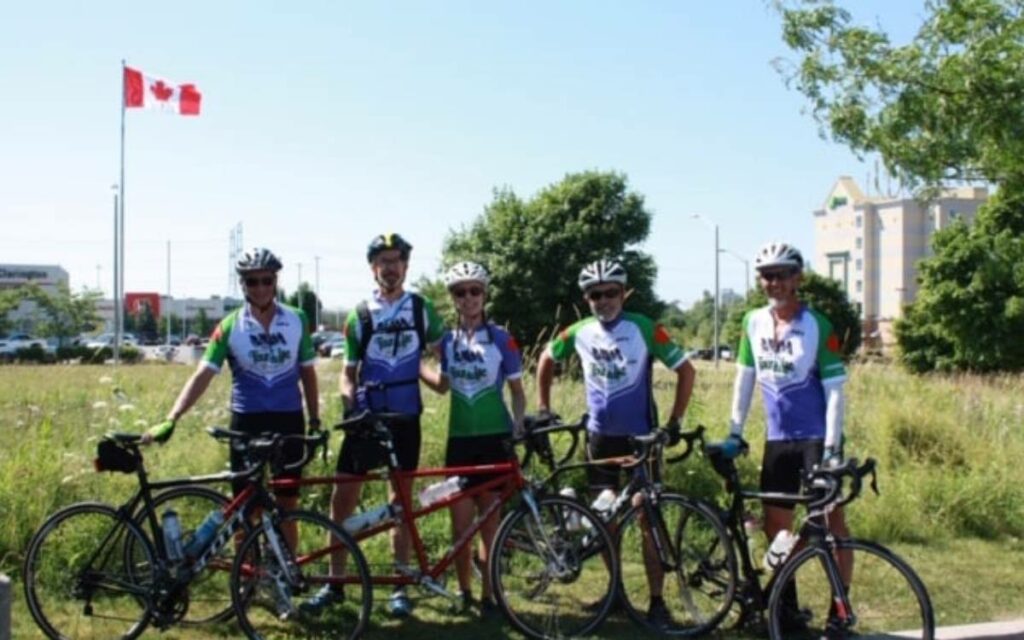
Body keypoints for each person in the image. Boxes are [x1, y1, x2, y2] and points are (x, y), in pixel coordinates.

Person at [536, 257, 696, 627]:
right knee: (604, 519)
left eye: (610, 293)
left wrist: (673, 422)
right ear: (587, 298)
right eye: (595, 295)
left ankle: (657, 602)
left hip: (641, 439)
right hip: (600, 438)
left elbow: (686, 369)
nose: (603, 300)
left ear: (624, 293)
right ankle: (616, 593)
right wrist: (544, 407)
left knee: (647, 520)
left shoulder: (643, 327)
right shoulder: (579, 331)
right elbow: (546, 358)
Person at [303, 232, 444, 618]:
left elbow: (441, 351)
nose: (390, 267)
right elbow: (347, 373)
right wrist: (352, 405)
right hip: (367, 419)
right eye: (383, 261)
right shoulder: (359, 314)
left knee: (400, 502)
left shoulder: (421, 308)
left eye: (396, 260)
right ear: (373, 268)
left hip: (405, 418)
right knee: (341, 501)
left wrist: (442, 377)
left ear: (406, 266)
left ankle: (400, 585)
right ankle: (336, 583)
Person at [145, 247, 320, 549]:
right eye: (253, 282)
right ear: (243, 286)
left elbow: (308, 373)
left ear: (275, 281)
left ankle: (289, 577)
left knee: (287, 505)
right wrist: (171, 418)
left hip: (288, 419)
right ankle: (247, 580)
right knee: (245, 507)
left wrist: (316, 419)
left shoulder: (298, 320)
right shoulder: (229, 326)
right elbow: (202, 375)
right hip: (246, 422)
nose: (261, 287)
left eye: (267, 280)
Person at [725, 241, 850, 631]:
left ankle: (839, 612)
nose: (773, 282)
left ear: (798, 278)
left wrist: (830, 449)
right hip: (777, 440)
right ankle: (787, 606)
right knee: (777, 528)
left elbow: (835, 391)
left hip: (815, 439)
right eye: (766, 275)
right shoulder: (752, 322)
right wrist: (735, 430)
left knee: (832, 527)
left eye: (781, 274)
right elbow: (745, 377)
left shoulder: (817, 325)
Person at [419, 261, 526, 613]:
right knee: (460, 524)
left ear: (485, 295)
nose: (468, 298)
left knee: (489, 525)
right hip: (460, 441)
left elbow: (517, 390)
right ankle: (464, 592)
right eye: (460, 292)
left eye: (475, 291)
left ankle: (490, 595)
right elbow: (443, 386)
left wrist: (519, 425)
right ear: (453, 298)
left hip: (494, 438)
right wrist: (416, 367)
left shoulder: (501, 338)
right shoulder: (447, 342)